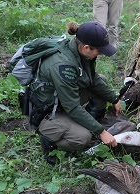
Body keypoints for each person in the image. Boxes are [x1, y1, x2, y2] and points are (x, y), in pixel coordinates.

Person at [30, 21, 122, 165]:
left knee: (101, 81)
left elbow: (93, 80)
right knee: (82, 138)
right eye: (99, 51)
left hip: (62, 99)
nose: (101, 54)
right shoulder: (63, 65)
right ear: (86, 48)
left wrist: (114, 99)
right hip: (47, 111)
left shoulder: (80, 53)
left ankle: (89, 125)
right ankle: (48, 136)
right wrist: (101, 132)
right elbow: (72, 107)